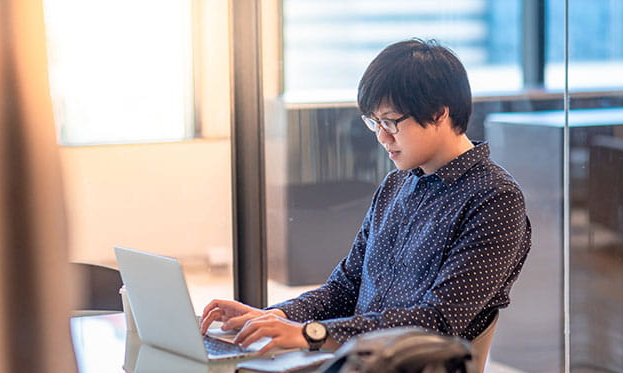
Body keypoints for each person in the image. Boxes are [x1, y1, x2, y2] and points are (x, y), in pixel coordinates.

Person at [200, 39, 532, 355]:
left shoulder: (494, 199)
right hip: (355, 368)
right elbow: (345, 287)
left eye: (390, 122)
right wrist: (275, 318)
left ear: (438, 114)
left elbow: (437, 321)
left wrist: (312, 335)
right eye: (374, 123)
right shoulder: (396, 185)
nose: (382, 137)